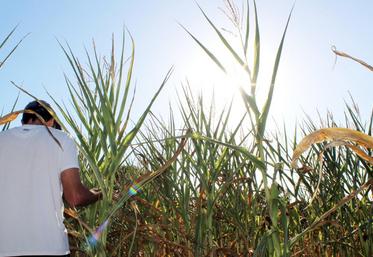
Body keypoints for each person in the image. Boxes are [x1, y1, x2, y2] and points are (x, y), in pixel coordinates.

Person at [0, 100, 102, 257]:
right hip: (50, 247)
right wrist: (98, 193)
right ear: (51, 121)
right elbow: (75, 197)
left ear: (23, 122)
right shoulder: (61, 139)